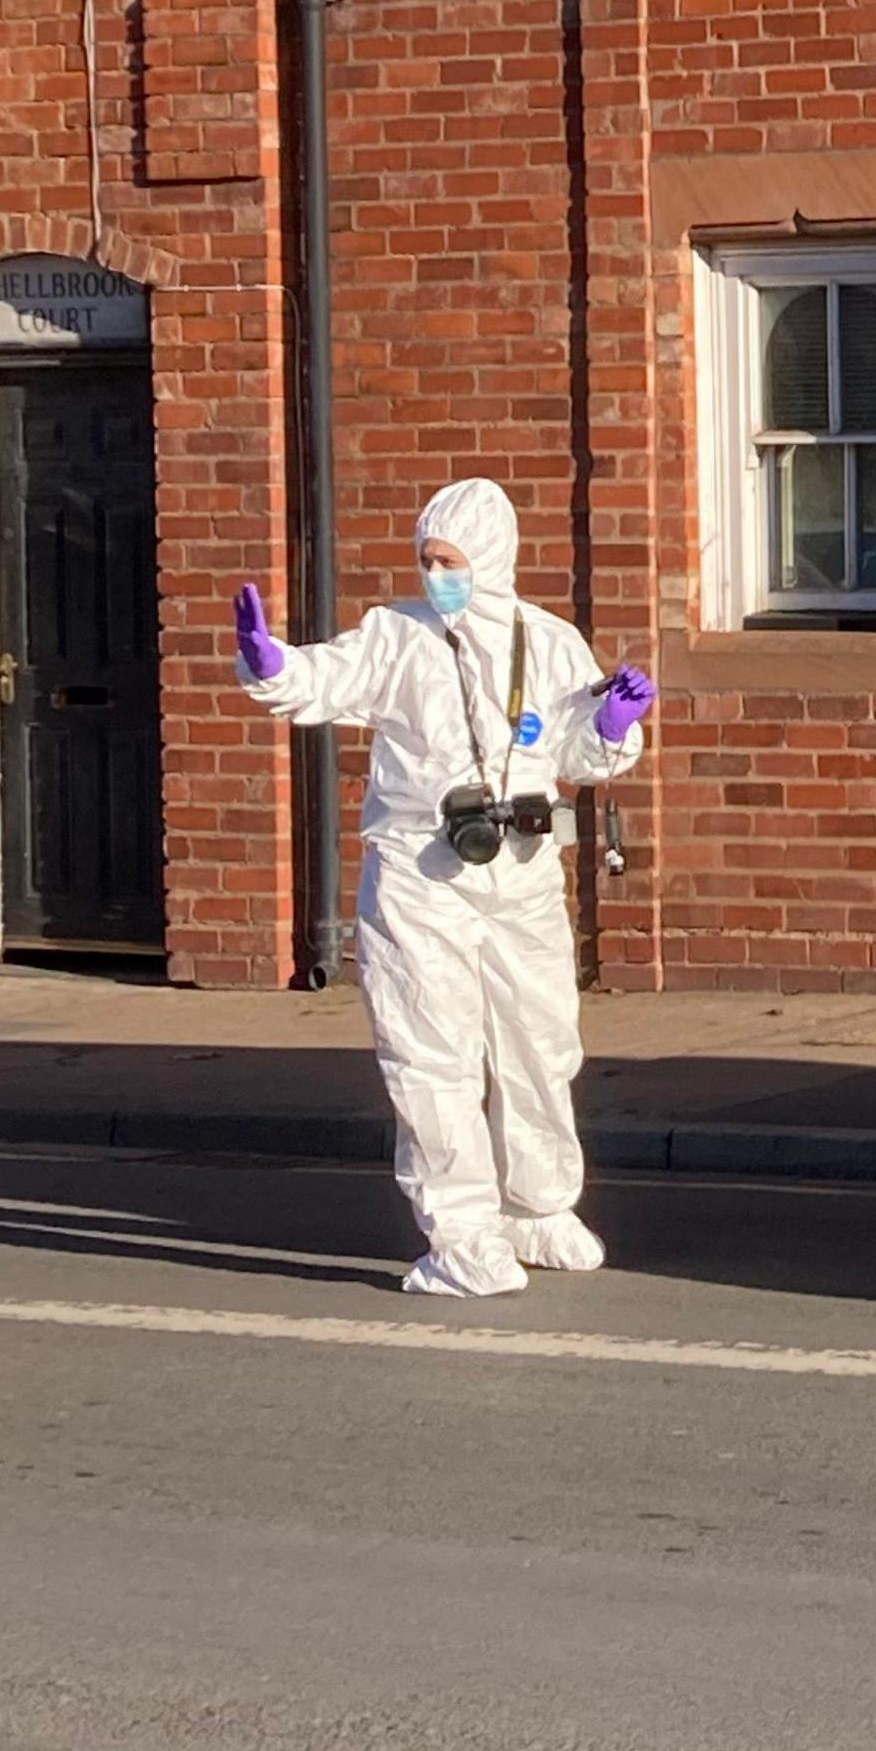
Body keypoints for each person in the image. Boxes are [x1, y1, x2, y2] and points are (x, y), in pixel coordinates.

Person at [231, 479, 656, 1297]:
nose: (437, 575)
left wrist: (611, 727)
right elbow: (327, 680)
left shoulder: (550, 641)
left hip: (521, 872)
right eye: (428, 561)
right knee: (435, 1053)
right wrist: (271, 662)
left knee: (539, 1043)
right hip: (419, 878)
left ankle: (539, 1206)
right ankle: (464, 1235)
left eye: (450, 561)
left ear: (491, 559)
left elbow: (573, 751)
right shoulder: (399, 637)